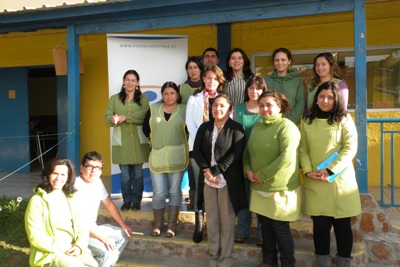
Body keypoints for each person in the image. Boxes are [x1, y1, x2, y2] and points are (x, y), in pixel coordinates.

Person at [299, 81, 361, 267]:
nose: (325, 100)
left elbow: (350, 148)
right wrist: (309, 171)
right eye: (321, 96)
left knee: (342, 226)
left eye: (330, 97)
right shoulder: (308, 121)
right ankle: (323, 262)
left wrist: (331, 169)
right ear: (316, 99)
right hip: (316, 181)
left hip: (340, 181)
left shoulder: (344, 119)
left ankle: (344, 262)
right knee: (320, 226)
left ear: (337, 99)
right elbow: (303, 150)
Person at [243, 91, 302, 267]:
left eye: (269, 105)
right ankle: (268, 261)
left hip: (280, 188)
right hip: (260, 187)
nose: (265, 109)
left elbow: (286, 157)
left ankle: (287, 263)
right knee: (266, 228)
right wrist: (247, 170)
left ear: (279, 106)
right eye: (261, 105)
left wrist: (262, 174)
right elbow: (247, 153)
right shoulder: (257, 127)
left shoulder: (287, 127)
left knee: (280, 229)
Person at [193, 94, 247, 267]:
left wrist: (216, 170)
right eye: (215, 105)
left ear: (230, 109)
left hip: (227, 181)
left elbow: (235, 154)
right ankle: (213, 257)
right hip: (208, 180)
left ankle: (225, 259)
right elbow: (196, 151)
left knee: (227, 221)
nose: (218, 109)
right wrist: (207, 171)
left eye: (222, 106)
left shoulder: (236, 128)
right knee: (213, 220)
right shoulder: (204, 127)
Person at [25, 157, 98, 267]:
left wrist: (79, 246)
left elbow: (83, 227)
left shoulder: (73, 198)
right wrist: (65, 247)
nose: (58, 178)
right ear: (48, 175)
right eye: (55, 173)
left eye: (63, 175)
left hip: (73, 250)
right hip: (49, 254)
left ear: (68, 178)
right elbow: (35, 237)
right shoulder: (37, 201)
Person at [142, 81, 189, 238]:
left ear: (177, 95)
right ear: (162, 95)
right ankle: (158, 224)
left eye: (172, 93)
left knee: (175, 191)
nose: (169, 96)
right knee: (159, 192)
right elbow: (145, 128)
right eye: (166, 93)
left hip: (178, 156)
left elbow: (190, 129)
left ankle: (171, 225)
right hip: (158, 156)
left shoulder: (184, 109)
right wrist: (153, 141)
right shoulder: (153, 109)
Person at [186, 65, 226, 243]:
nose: (211, 81)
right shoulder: (194, 99)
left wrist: (214, 144)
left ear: (219, 81)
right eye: (208, 77)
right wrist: (203, 143)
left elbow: (227, 122)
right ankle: (199, 225)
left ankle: (215, 225)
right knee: (200, 185)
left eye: (215, 78)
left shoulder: (224, 99)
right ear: (203, 79)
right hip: (197, 149)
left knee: (216, 185)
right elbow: (190, 124)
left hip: (218, 149)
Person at [75, 151, 132, 267]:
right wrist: (103, 238)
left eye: (97, 168)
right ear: (81, 168)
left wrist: (123, 225)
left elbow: (109, 204)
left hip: (93, 228)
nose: (93, 171)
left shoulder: (97, 182)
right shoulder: (75, 186)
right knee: (107, 251)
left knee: (124, 234)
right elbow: (80, 223)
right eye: (89, 167)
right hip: (79, 232)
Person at [104, 69, 150, 211]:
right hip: (122, 142)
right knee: (124, 176)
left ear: (137, 83)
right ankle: (126, 200)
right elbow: (106, 117)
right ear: (123, 82)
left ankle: (136, 201)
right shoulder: (114, 99)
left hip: (138, 142)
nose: (130, 82)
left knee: (137, 174)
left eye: (133, 80)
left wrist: (125, 118)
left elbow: (144, 116)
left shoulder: (143, 99)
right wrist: (112, 119)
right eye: (127, 79)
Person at [234, 75, 267, 246]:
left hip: (262, 159)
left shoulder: (267, 108)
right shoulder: (238, 108)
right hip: (241, 158)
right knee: (243, 197)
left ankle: (262, 232)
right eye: (251, 88)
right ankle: (242, 230)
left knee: (261, 196)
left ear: (263, 90)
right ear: (246, 90)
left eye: (258, 88)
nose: (254, 91)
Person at [179, 56, 204, 210]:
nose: (193, 70)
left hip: (207, 134)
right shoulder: (181, 88)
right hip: (188, 134)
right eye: (190, 68)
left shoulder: (208, 86)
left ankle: (204, 202)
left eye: (195, 67)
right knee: (192, 168)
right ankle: (194, 201)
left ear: (200, 69)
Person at [265, 47, 305, 126]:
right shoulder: (266, 80)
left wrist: (289, 121)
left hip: (291, 124)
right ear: (273, 62)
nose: (280, 63)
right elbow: (263, 103)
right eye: (277, 60)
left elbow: (300, 102)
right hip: (271, 124)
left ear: (289, 61)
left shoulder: (296, 80)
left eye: (283, 60)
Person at [305, 52, 349, 116]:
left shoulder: (340, 85)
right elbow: (306, 110)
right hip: (312, 124)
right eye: (317, 65)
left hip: (332, 123)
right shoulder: (311, 86)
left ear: (331, 66)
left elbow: (342, 110)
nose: (320, 67)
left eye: (323, 64)